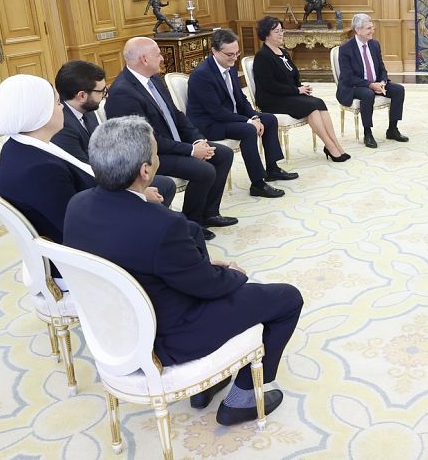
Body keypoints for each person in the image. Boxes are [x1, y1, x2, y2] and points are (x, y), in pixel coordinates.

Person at [63, 116, 303, 426]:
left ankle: (210, 383)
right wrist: (235, 274)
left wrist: (194, 264)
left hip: (117, 330)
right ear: (146, 171)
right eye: (155, 153)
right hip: (170, 336)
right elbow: (209, 286)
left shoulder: (77, 206)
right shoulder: (160, 225)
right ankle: (242, 398)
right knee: (285, 299)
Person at [106, 37, 236, 240]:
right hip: (152, 156)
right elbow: (146, 140)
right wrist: (191, 152)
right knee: (204, 170)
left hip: (176, 144)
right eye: (158, 54)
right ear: (144, 59)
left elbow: (176, 114)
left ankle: (209, 213)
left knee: (224, 154)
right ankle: (192, 223)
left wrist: (197, 140)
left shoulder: (154, 79)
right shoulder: (123, 93)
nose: (162, 58)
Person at [0, 74, 96, 284]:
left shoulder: (17, 146)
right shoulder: (41, 170)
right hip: (75, 264)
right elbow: (78, 229)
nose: (63, 108)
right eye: (57, 103)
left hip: (72, 243)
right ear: (40, 113)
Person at [187, 29, 297, 198]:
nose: (234, 58)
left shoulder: (229, 66)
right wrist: (248, 123)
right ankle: (258, 183)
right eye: (229, 54)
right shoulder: (202, 75)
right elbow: (216, 112)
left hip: (227, 116)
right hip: (209, 124)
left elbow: (240, 98)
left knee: (268, 119)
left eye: (237, 53)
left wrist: (253, 116)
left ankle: (272, 168)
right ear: (214, 51)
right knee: (248, 130)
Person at [52, 60, 176, 207]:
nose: (105, 95)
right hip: (92, 188)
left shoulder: (86, 110)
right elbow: (85, 174)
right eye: (102, 91)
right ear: (81, 96)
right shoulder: (63, 126)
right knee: (162, 188)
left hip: (108, 173)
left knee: (165, 184)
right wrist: (137, 192)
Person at [252, 16, 350, 162]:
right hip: (271, 99)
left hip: (288, 95)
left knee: (319, 102)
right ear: (266, 34)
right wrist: (297, 91)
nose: (281, 34)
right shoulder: (262, 56)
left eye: (281, 30)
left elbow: (293, 76)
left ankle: (335, 144)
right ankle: (329, 146)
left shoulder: (283, 53)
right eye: (277, 31)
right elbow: (269, 85)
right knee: (311, 106)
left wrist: (300, 87)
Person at [336, 14, 408, 149]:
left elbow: (382, 68)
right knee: (368, 94)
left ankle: (392, 129)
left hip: (375, 83)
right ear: (358, 30)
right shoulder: (346, 49)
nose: (372, 31)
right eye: (369, 28)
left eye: (372, 27)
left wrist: (382, 81)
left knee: (399, 90)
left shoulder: (374, 44)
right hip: (354, 86)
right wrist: (370, 85)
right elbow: (348, 77)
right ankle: (367, 133)